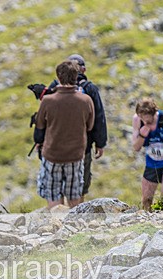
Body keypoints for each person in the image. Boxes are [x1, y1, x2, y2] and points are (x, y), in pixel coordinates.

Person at [46, 54, 108, 201]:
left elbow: (45, 117)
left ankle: (59, 218)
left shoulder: (54, 88)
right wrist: (100, 143)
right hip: (82, 147)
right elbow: (98, 117)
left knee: (58, 185)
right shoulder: (89, 89)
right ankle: (77, 218)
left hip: (56, 146)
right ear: (83, 70)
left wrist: (41, 140)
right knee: (79, 185)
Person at [33, 61, 94, 209]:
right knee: (74, 197)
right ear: (76, 76)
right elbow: (90, 126)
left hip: (52, 155)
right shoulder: (86, 100)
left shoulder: (48, 101)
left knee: (54, 197)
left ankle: (56, 228)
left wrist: (39, 143)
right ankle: (74, 230)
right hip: (75, 155)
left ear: (58, 77)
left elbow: (39, 127)